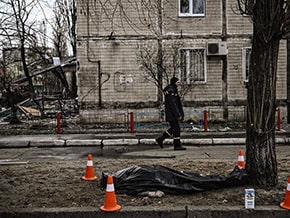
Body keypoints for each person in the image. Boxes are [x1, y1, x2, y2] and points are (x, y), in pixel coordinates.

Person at [156, 77, 186, 150]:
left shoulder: (172, 89)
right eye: (178, 82)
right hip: (172, 114)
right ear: (174, 82)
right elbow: (173, 104)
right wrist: (177, 114)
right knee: (176, 129)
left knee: (173, 129)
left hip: (172, 113)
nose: (179, 83)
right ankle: (177, 145)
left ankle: (161, 139)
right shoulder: (171, 91)